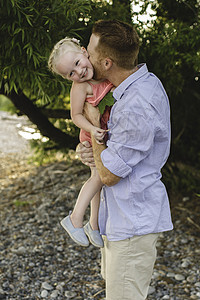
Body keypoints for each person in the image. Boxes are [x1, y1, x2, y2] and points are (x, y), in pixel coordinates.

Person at [77, 19, 173, 300]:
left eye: (90, 53)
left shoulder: (135, 105)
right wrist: (89, 150)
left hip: (132, 223)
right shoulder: (142, 83)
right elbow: (112, 153)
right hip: (121, 218)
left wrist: (93, 126)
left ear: (106, 63)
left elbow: (109, 175)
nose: (85, 56)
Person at [48, 37, 114, 248]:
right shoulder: (80, 87)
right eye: (70, 74)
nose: (78, 73)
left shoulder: (103, 75)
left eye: (77, 63)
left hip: (102, 133)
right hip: (90, 134)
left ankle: (93, 225)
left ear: (84, 52)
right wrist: (92, 129)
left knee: (99, 181)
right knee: (98, 178)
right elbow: (76, 116)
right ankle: (75, 218)